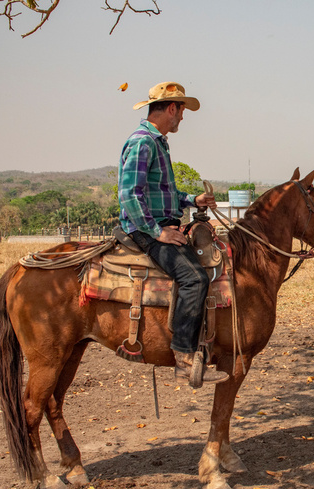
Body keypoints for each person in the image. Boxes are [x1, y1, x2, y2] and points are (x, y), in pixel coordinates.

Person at [118, 81, 228, 387]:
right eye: (181, 111)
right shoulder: (143, 143)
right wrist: (158, 232)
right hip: (145, 230)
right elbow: (129, 195)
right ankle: (183, 357)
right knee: (194, 278)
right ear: (171, 109)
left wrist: (193, 201)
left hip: (159, 223)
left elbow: (163, 193)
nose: (182, 118)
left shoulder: (158, 143)